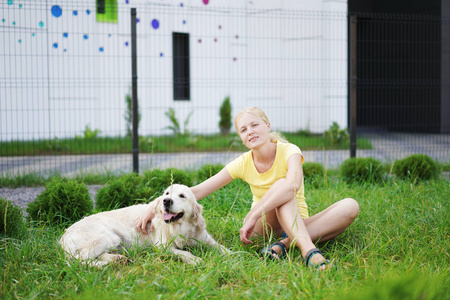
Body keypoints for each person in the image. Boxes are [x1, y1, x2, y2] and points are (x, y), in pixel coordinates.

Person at [136, 107, 359, 270]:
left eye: (255, 125)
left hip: (297, 222)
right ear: (242, 138)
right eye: (243, 129)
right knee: (281, 186)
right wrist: (154, 205)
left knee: (350, 206)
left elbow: (293, 186)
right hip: (265, 226)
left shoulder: (290, 150)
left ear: (268, 126)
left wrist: (251, 215)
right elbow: (197, 191)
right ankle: (310, 253)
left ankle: (281, 246)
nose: (250, 131)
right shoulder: (243, 162)